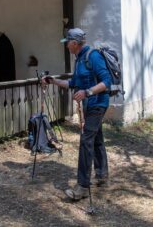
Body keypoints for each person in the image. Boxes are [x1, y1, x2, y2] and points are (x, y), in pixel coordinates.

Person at [42, 28, 112, 200]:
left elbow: (107, 81)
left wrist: (87, 92)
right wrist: (53, 81)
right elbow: (73, 83)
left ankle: (82, 187)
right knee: (96, 139)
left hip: (97, 104)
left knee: (86, 141)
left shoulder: (93, 56)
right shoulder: (79, 59)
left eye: (67, 43)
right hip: (89, 105)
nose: (66, 46)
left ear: (74, 43)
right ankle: (102, 175)